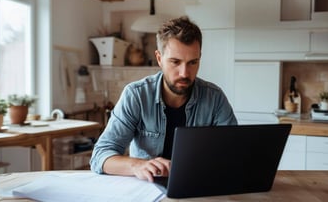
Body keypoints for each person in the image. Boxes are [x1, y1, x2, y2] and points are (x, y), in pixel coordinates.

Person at [90, 16, 237, 182]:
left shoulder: (215, 98)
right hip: (148, 187)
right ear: (159, 58)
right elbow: (100, 156)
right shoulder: (136, 95)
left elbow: (232, 154)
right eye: (175, 62)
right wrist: (137, 165)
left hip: (197, 185)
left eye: (192, 62)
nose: (184, 73)